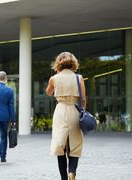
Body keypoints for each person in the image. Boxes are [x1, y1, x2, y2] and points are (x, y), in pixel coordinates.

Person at [46, 52, 86, 180]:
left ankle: (64, 178)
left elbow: (48, 92)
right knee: (75, 144)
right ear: (73, 63)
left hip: (61, 111)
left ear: (59, 63)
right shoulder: (78, 78)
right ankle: (72, 172)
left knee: (60, 144)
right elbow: (84, 99)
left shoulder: (54, 78)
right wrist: (83, 111)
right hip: (74, 110)